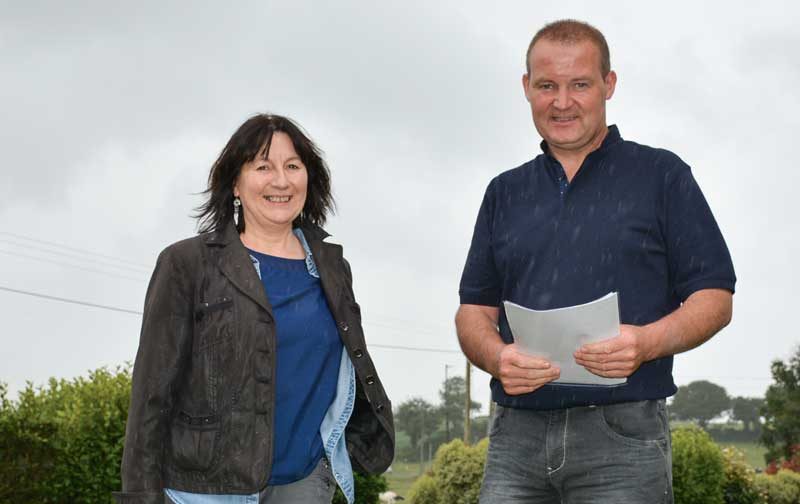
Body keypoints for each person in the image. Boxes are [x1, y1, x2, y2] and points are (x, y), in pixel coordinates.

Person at [456, 19, 735, 503]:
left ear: (609, 84)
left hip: (624, 437)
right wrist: (497, 357)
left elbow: (715, 297)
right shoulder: (504, 192)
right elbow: (473, 313)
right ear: (527, 88)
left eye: (579, 84)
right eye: (547, 85)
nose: (562, 102)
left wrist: (646, 342)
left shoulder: (661, 175)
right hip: (514, 436)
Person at [114, 114, 394, 504]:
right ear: (235, 183)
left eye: (293, 166)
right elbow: (151, 393)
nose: (281, 180)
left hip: (304, 482)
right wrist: (139, 496)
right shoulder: (187, 264)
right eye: (263, 166)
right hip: (206, 490)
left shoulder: (333, 269)